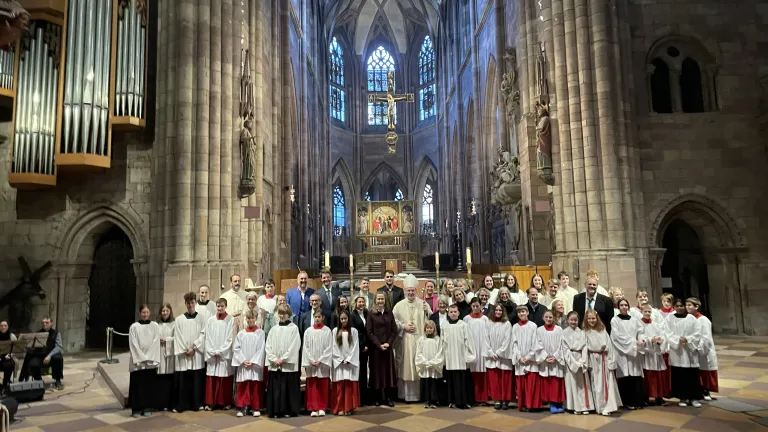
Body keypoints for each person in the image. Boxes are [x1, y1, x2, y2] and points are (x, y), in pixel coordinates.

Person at [392, 274, 432, 402]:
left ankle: (420, 395)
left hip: (419, 341)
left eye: (412, 290)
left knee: (418, 365)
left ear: (416, 290)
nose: (410, 292)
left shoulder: (423, 304)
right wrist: (403, 326)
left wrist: (427, 312)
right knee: (406, 367)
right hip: (405, 341)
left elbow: (430, 321)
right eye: (408, 290)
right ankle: (405, 395)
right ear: (405, 291)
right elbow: (393, 321)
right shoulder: (398, 306)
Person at [265, 304, 302, 418]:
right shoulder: (273, 329)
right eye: (280, 313)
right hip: (276, 364)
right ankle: (276, 410)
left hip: (287, 365)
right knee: (276, 388)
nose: (282, 316)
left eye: (284, 314)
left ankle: (288, 410)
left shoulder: (293, 328)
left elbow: (295, 345)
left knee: (288, 388)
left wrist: (284, 359)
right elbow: (268, 346)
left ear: (288, 314)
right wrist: (274, 359)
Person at [172, 292, 207, 413]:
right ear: (185, 304)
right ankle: (182, 404)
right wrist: (185, 350)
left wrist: (194, 347)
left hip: (196, 354)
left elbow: (203, 334)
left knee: (196, 379)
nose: (190, 305)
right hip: (184, 354)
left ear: (195, 303)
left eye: (192, 302)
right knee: (184, 379)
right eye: (188, 303)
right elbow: (178, 336)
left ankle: (197, 404)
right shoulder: (179, 319)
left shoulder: (202, 318)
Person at [610, 298, 647, 410]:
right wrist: (632, 342)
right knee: (625, 376)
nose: (624, 307)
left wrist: (641, 340)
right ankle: (627, 401)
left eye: (626, 305)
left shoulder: (634, 319)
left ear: (628, 306)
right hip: (622, 352)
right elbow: (616, 336)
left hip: (635, 352)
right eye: (622, 305)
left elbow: (641, 331)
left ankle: (638, 401)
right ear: (618, 307)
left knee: (635, 376)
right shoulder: (615, 320)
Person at [666, 299, 703, 407]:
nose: (679, 308)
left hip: (689, 350)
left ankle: (694, 398)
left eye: (681, 306)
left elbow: (697, 333)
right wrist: (678, 339)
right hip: (677, 352)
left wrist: (688, 339)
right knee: (679, 375)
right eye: (677, 306)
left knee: (692, 375)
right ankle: (683, 398)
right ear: (674, 307)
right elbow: (667, 333)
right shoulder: (669, 319)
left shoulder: (691, 318)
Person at [583, 310, 621, 416]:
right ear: (586, 319)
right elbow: (584, 347)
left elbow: (609, 345)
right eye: (589, 318)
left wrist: (610, 360)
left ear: (597, 318)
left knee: (606, 384)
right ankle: (598, 406)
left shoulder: (602, 330)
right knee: (595, 384)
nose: (591, 320)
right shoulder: (584, 331)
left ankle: (607, 406)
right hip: (592, 359)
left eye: (593, 318)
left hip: (603, 359)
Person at [128, 304, 161, 417]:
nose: (145, 314)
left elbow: (156, 341)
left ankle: (147, 407)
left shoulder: (155, 326)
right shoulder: (134, 327)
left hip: (150, 361)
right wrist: (141, 358)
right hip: (138, 362)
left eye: (147, 312)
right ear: (139, 313)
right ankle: (136, 409)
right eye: (143, 312)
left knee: (148, 385)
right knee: (137, 385)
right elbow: (133, 344)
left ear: (150, 312)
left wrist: (149, 357)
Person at [366, 292, 398, 407]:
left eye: (382, 299)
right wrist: (379, 345)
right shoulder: (371, 313)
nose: (380, 301)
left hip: (388, 348)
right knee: (377, 373)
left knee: (388, 373)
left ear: (385, 300)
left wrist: (388, 344)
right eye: (378, 299)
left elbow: (395, 330)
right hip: (376, 349)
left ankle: (388, 398)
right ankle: (378, 398)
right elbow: (369, 332)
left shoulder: (390, 313)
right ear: (375, 300)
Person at [233, 309, 266, 417]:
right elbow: (236, 348)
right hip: (244, 364)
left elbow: (261, 349)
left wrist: (253, 361)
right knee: (243, 385)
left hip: (255, 365)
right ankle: (243, 407)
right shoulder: (241, 334)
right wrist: (243, 360)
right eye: (248, 318)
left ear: (256, 319)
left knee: (255, 386)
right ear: (246, 319)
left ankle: (256, 407)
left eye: (252, 318)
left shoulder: (260, 333)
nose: (250, 320)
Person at [442, 304, 476, 409]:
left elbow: (468, 340)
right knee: (451, 380)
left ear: (458, 313)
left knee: (462, 379)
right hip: (450, 356)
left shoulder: (463, 325)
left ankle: (464, 401)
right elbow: (443, 342)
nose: (453, 313)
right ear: (448, 313)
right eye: (451, 312)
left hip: (461, 356)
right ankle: (452, 401)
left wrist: (470, 354)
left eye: (455, 312)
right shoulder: (445, 325)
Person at [204, 298, 235, 410]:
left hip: (223, 354)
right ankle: (211, 402)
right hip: (213, 354)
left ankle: (225, 402)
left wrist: (221, 351)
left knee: (224, 377)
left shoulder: (230, 319)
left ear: (225, 306)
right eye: (218, 306)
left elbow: (230, 337)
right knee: (212, 377)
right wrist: (212, 350)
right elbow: (208, 337)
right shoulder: (211, 320)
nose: (220, 308)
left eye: (222, 306)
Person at [18, 316, 64, 390]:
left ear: (51, 323)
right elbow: (33, 346)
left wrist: (49, 356)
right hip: (40, 355)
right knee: (33, 364)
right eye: (43, 323)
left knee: (58, 358)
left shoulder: (56, 333)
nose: (44, 324)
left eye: (47, 322)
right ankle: (38, 380)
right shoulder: (38, 333)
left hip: (51, 355)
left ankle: (58, 380)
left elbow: (58, 346)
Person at [561, 311, 594, 415]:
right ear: (568, 320)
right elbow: (565, 349)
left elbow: (585, 346)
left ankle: (585, 406)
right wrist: (573, 363)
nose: (573, 322)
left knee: (582, 385)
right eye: (571, 320)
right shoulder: (564, 333)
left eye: (575, 320)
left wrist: (583, 361)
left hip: (580, 360)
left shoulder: (582, 332)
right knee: (572, 384)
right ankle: (574, 407)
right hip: (570, 361)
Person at [302, 309, 333, 417]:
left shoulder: (327, 331)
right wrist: (311, 360)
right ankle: (313, 408)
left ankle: (322, 407)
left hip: (322, 363)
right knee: (312, 385)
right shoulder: (308, 331)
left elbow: (329, 347)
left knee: (322, 385)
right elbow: (305, 347)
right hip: (312, 363)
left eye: (319, 317)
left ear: (323, 318)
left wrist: (321, 360)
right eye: (315, 317)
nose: (317, 319)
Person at [686, 297, 718, 401]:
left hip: (702, 350)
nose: (687, 307)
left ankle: (706, 390)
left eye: (689, 305)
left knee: (705, 370)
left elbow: (706, 337)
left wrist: (699, 348)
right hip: (692, 349)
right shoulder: (688, 318)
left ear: (696, 307)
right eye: (686, 305)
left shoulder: (703, 320)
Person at [511, 305, 541, 412]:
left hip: (530, 360)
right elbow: (513, 343)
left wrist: (528, 357)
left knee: (531, 384)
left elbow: (535, 343)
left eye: (523, 311)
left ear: (527, 312)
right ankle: (523, 404)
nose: (521, 314)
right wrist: (519, 357)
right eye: (519, 312)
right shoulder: (515, 327)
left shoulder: (533, 326)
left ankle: (531, 405)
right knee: (521, 385)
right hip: (520, 360)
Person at [639, 304, 669, 405]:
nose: (648, 313)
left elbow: (662, 334)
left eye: (649, 312)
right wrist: (649, 340)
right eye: (645, 311)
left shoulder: (655, 324)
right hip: (647, 354)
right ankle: (646, 397)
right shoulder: (639, 324)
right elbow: (640, 337)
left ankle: (659, 396)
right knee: (648, 377)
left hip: (656, 353)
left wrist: (660, 340)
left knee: (658, 376)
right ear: (641, 312)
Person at [331, 311, 360, 415]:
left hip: (350, 363)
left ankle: (349, 408)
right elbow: (334, 346)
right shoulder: (335, 331)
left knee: (349, 385)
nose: (343, 321)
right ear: (339, 320)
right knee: (339, 386)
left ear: (349, 319)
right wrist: (340, 359)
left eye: (345, 319)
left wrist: (348, 359)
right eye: (342, 319)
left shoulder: (354, 331)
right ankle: (339, 408)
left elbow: (355, 347)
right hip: (339, 363)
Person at [485, 304, 513, 410]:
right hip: (492, 356)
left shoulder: (507, 324)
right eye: (496, 310)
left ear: (503, 311)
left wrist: (499, 353)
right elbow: (486, 338)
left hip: (504, 356)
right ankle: (497, 399)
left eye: (500, 310)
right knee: (494, 379)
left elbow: (507, 340)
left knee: (505, 379)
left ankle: (505, 400)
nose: (498, 312)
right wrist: (491, 353)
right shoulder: (489, 323)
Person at [464, 297, 490, 406]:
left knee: (482, 372)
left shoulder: (485, 319)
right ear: (471, 306)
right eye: (473, 306)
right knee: (472, 372)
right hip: (471, 347)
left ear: (481, 306)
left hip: (482, 348)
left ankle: (483, 398)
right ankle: (473, 397)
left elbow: (488, 334)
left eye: (477, 306)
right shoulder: (466, 319)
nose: (475, 308)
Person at [415, 320, 444, 409]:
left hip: (434, 366)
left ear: (434, 329)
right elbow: (418, 353)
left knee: (434, 383)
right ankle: (427, 400)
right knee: (427, 383)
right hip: (425, 366)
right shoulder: (421, 340)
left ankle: (434, 401)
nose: (429, 330)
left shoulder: (438, 340)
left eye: (431, 328)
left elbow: (440, 353)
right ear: (425, 329)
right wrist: (425, 362)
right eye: (427, 328)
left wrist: (433, 362)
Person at [350, 296, 370, 405]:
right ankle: (358, 398)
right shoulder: (352, 315)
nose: (361, 303)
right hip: (358, 346)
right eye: (359, 302)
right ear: (355, 303)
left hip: (367, 346)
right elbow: (355, 332)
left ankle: (365, 396)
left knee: (364, 371)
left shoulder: (367, 313)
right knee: (359, 372)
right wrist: (362, 346)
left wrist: (367, 344)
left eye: (363, 302)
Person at [156, 304, 175, 411]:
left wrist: (167, 340)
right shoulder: (156, 324)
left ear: (170, 311)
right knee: (160, 379)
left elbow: (176, 337)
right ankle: (159, 403)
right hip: (159, 352)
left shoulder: (174, 324)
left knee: (169, 379)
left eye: (167, 310)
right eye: (163, 310)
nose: (165, 313)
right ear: (160, 312)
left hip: (169, 354)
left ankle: (168, 403)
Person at [0, 321, 17, 392]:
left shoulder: (11, 336)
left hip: (7, 357)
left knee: (11, 364)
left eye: (5, 325)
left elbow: (16, 348)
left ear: (7, 327)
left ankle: (5, 385)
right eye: (1, 326)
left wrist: (10, 354)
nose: (3, 327)